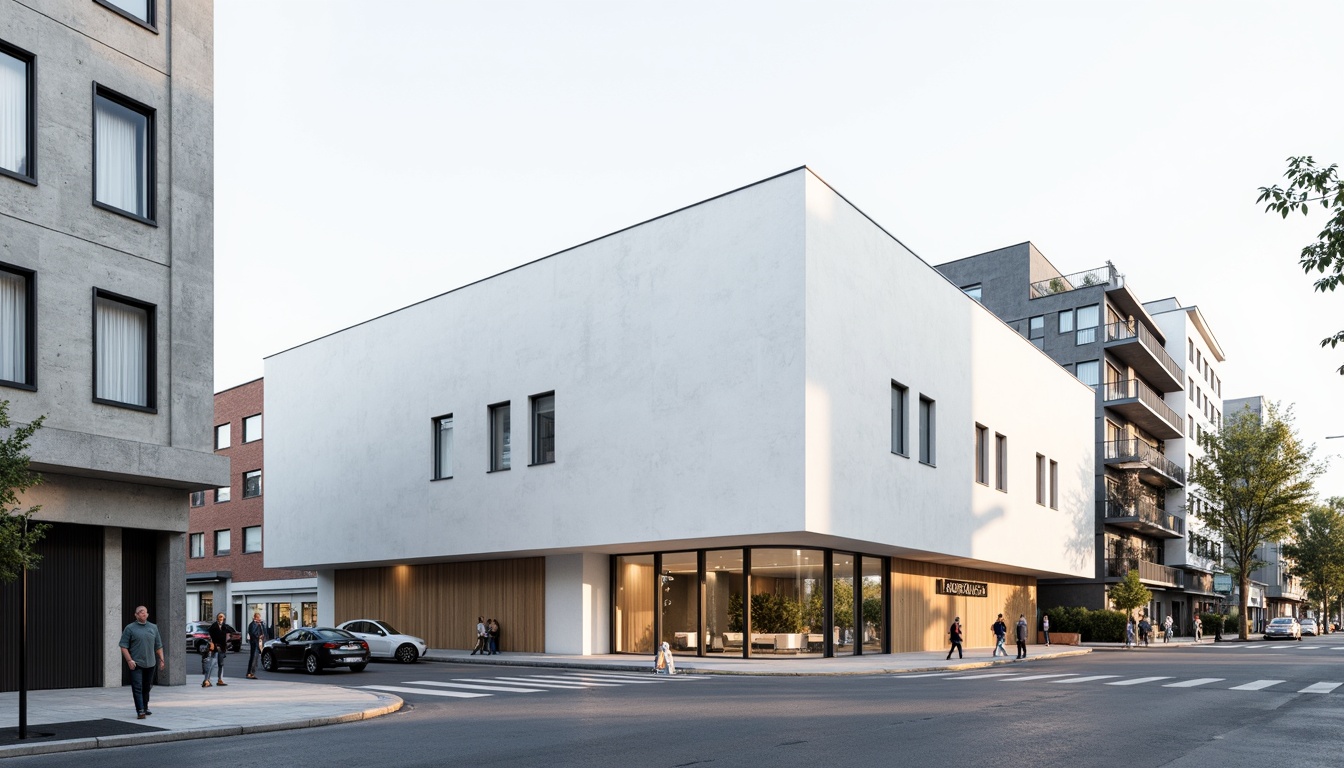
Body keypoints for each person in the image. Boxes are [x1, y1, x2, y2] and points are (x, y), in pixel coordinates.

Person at [118, 605, 165, 720]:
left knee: (146, 687)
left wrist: (162, 659)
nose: (143, 614)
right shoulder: (130, 628)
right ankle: (140, 710)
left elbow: (158, 645)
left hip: (151, 663)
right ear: (136, 615)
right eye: (140, 612)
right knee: (137, 687)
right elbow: (123, 646)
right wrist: (129, 660)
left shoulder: (153, 627)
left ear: (148, 614)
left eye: (145, 612)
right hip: (136, 663)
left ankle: (145, 706)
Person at [204, 612, 232, 686]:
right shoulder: (214, 626)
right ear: (217, 618)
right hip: (215, 647)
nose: (221, 618)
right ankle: (206, 680)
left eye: (222, 617)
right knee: (211, 664)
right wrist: (211, 643)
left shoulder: (225, 626)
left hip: (222, 648)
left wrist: (228, 642)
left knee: (221, 664)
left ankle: (220, 680)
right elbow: (209, 635)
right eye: (220, 616)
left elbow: (230, 634)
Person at [246, 612, 267, 678]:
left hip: (258, 643)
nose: (259, 619)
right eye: (258, 617)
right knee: (253, 658)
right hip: (254, 643)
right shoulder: (253, 624)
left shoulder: (259, 624)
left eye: (259, 617)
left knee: (256, 658)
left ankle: (251, 672)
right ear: (255, 617)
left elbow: (264, 631)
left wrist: (261, 625)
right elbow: (253, 633)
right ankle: (250, 673)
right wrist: (259, 636)